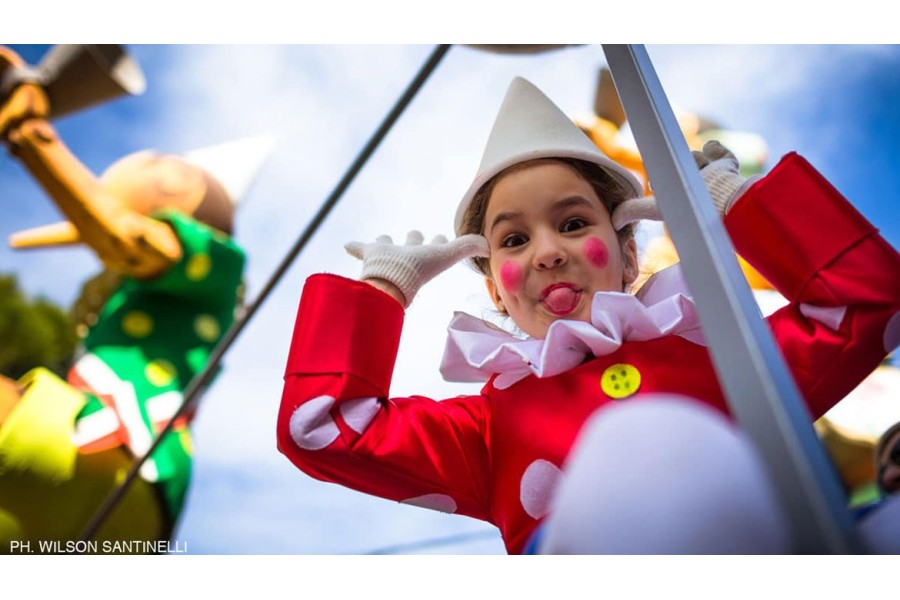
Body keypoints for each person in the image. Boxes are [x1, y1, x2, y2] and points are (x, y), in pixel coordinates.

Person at [276, 77, 900, 553]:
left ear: (630, 252)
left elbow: (872, 300)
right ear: (495, 289)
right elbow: (322, 429)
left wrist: (735, 204)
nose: (548, 252)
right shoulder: (486, 428)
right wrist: (387, 288)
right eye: (513, 241)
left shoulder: (728, 357)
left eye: (573, 224)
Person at [0, 46, 258, 549]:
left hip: (119, 441)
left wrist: (30, 129)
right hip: (141, 514)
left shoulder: (217, 259)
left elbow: (124, 239)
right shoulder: (159, 294)